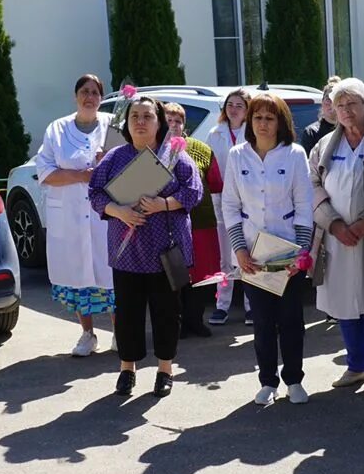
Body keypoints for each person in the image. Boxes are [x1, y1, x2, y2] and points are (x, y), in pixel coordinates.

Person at [89, 95, 203, 398]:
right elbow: (95, 194)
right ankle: (127, 369)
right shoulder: (114, 158)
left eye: (147, 116)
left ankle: (165, 369)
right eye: (135, 116)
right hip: (126, 253)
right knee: (128, 314)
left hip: (166, 251)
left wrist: (162, 204)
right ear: (126, 123)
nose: (140, 122)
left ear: (159, 122)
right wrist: (119, 211)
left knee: (167, 313)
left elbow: (193, 193)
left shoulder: (175, 156)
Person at [224, 92, 316, 405]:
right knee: (262, 322)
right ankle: (268, 381)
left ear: (281, 122)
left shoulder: (294, 155)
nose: (263, 124)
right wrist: (239, 250)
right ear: (249, 121)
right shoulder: (237, 156)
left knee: (291, 320)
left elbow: (304, 206)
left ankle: (294, 379)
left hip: (287, 251)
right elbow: (230, 206)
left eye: (270, 118)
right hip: (252, 253)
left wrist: (302, 251)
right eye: (258, 117)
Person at [310, 78, 364, 394]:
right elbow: (313, 187)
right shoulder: (324, 145)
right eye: (340, 104)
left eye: (352, 103)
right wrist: (334, 224)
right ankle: (356, 366)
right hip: (337, 238)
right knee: (344, 302)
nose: (346, 110)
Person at [36, 74, 117, 356]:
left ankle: (119, 334)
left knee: (110, 277)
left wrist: (105, 164)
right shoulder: (57, 129)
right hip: (69, 216)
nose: (89, 97)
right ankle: (87, 334)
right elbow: (45, 172)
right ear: (75, 96)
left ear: (101, 98)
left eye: (95, 92)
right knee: (79, 278)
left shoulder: (112, 125)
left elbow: (128, 163)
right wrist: (83, 175)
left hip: (106, 216)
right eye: (84, 91)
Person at [165, 102, 219, 338]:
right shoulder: (151, 150)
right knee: (174, 276)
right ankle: (175, 324)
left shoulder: (200, 149)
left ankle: (195, 320)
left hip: (201, 223)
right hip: (167, 224)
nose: (174, 125)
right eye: (169, 120)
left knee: (200, 276)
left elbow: (216, 183)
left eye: (178, 121)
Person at [205, 88, 252, 325]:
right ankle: (222, 304)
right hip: (222, 201)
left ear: (247, 110)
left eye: (239, 105)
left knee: (248, 253)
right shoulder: (215, 134)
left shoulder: (253, 132)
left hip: (249, 203)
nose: (233, 109)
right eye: (230, 104)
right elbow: (210, 168)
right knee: (224, 257)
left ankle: (250, 305)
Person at [300, 77, 340, 152]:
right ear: (322, 102)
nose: (331, 104)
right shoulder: (312, 133)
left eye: (335, 99)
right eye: (328, 99)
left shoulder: (349, 130)